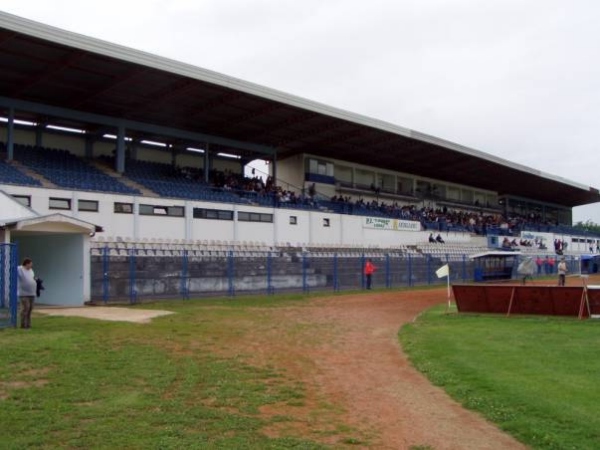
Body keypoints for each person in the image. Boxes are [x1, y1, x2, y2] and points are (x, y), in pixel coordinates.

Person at [17, 258, 36, 329]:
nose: (31, 266)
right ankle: (23, 325)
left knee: (30, 308)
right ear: (26, 264)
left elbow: (32, 278)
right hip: (23, 293)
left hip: (32, 293)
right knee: (25, 308)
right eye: (30, 264)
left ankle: (28, 324)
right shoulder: (20, 269)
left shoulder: (31, 270)